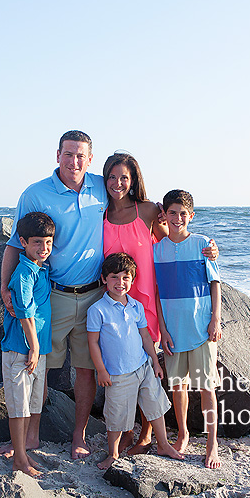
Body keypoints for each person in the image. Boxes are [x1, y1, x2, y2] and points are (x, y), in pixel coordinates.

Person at [102, 152, 218, 456]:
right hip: (114, 299)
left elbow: (173, 242)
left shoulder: (150, 210)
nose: (118, 183)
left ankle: (147, 434)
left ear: (134, 179)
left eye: (124, 177)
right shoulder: (99, 213)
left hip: (148, 302)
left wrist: (209, 249)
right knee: (121, 365)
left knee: (148, 370)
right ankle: (127, 433)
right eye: (112, 177)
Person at [0, 130, 107, 460]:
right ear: (57, 155)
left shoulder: (103, 187)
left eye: (81, 156)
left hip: (94, 295)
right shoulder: (34, 194)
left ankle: (79, 436)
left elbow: (140, 205)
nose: (74, 161)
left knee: (86, 370)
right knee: (41, 367)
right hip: (54, 296)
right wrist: (4, 288)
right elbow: (15, 244)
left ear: (90, 159)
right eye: (68, 153)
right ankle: (31, 437)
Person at [86, 253, 183, 470]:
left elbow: (146, 336)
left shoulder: (136, 306)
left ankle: (164, 445)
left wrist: (155, 363)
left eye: (125, 278)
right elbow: (93, 343)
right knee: (116, 414)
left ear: (132, 279)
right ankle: (112, 453)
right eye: (114, 277)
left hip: (143, 367)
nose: (120, 283)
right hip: (117, 373)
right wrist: (101, 370)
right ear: (104, 279)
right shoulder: (97, 310)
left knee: (155, 405)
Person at [154, 189, 223, 469]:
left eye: (183, 214)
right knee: (178, 386)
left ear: (191, 216)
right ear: (165, 215)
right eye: (172, 213)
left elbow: (214, 283)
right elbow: (157, 293)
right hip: (173, 329)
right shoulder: (157, 249)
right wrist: (163, 329)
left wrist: (215, 319)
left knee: (207, 387)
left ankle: (212, 443)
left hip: (202, 329)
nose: (178, 218)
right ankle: (182, 433)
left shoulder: (203, 244)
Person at [0, 212, 54, 477]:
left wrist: (38, 348)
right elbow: (24, 311)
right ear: (22, 241)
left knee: (33, 403)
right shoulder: (23, 273)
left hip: (37, 349)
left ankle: (26, 450)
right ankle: (19, 458)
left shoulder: (41, 268)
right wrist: (33, 346)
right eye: (37, 243)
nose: (43, 249)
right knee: (19, 406)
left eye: (48, 243)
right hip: (20, 349)